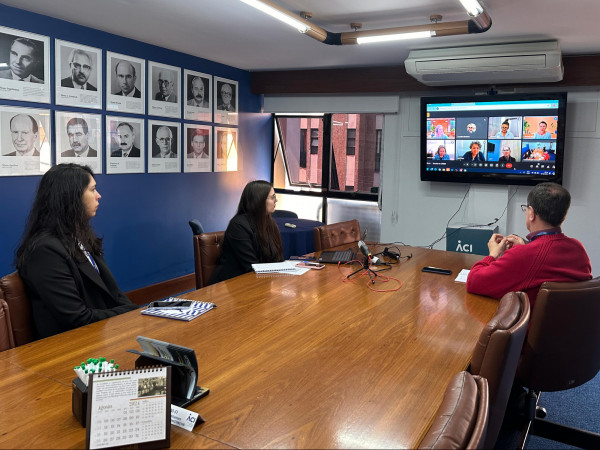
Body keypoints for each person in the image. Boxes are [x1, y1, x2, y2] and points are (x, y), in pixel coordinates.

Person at [15, 164, 137, 339]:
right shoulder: (45, 251)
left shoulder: (79, 237)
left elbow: (114, 293)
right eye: (92, 190)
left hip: (102, 332)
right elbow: (77, 318)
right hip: (72, 345)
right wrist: (132, 312)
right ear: (71, 197)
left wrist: (136, 313)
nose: (99, 195)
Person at [467, 182, 592, 309]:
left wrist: (493, 254)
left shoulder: (525, 255)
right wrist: (525, 248)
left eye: (525, 208)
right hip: (571, 328)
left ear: (531, 213)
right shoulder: (579, 249)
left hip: (532, 328)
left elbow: (473, 282)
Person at [209, 180, 284, 284]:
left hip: (259, 282)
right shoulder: (238, 225)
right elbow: (251, 266)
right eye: (272, 197)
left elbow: (277, 259)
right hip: (232, 285)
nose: (276, 200)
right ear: (259, 200)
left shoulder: (270, 223)